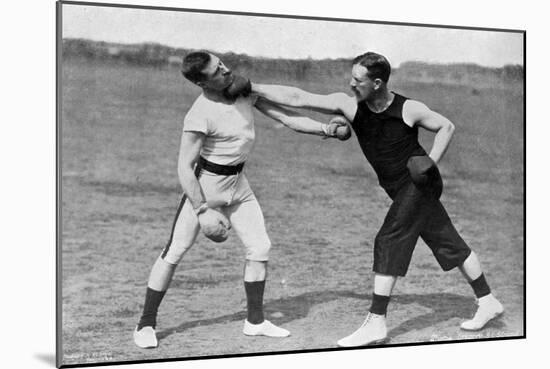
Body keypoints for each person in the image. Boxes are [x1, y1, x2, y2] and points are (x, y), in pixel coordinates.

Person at [242, 51, 504, 347]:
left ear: (377, 83)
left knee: (389, 238)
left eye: (358, 80)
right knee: (445, 238)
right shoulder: (351, 106)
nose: (351, 84)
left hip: (420, 182)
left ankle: (376, 321)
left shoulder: (409, 108)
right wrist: (253, 87)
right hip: (398, 187)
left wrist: (431, 161)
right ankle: (488, 300)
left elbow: (447, 126)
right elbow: (298, 97)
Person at [133, 51, 349, 349]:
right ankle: (145, 323)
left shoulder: (244, 92)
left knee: (260, 247)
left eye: (223, 64)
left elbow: (287, 116)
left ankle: (256, 322)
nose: (226, 71)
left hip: (238, 185)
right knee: (175, 251)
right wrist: (202, 209)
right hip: (206, 187)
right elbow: (184, 167)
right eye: (217, 71)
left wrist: (327, 130)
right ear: (201, 82)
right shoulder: (199, 113)